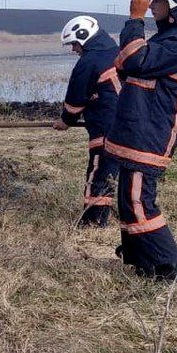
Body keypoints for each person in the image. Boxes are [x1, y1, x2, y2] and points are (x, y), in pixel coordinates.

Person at [105, 0, 177, 282]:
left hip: (151, 134)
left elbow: (134, 60)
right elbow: (125, 64)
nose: (151, 6)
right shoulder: (170, 37)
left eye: (157, 1)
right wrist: (132, 52)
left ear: (176, 4)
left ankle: (168, 268)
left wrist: (134, 20)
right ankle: (141, 262)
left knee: (139, 199)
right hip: (139, 131)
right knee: (128, 199)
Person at [52, 15, 121, 227]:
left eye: (74, 44)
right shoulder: (116, 52)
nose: (74, 49)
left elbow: (75, 101)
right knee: (112, 173)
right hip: (127, 126)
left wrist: (65, 120)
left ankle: (92, 222)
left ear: (84, 37)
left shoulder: (88, 63)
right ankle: (105, 218)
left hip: (105, 128)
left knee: (98, 173)